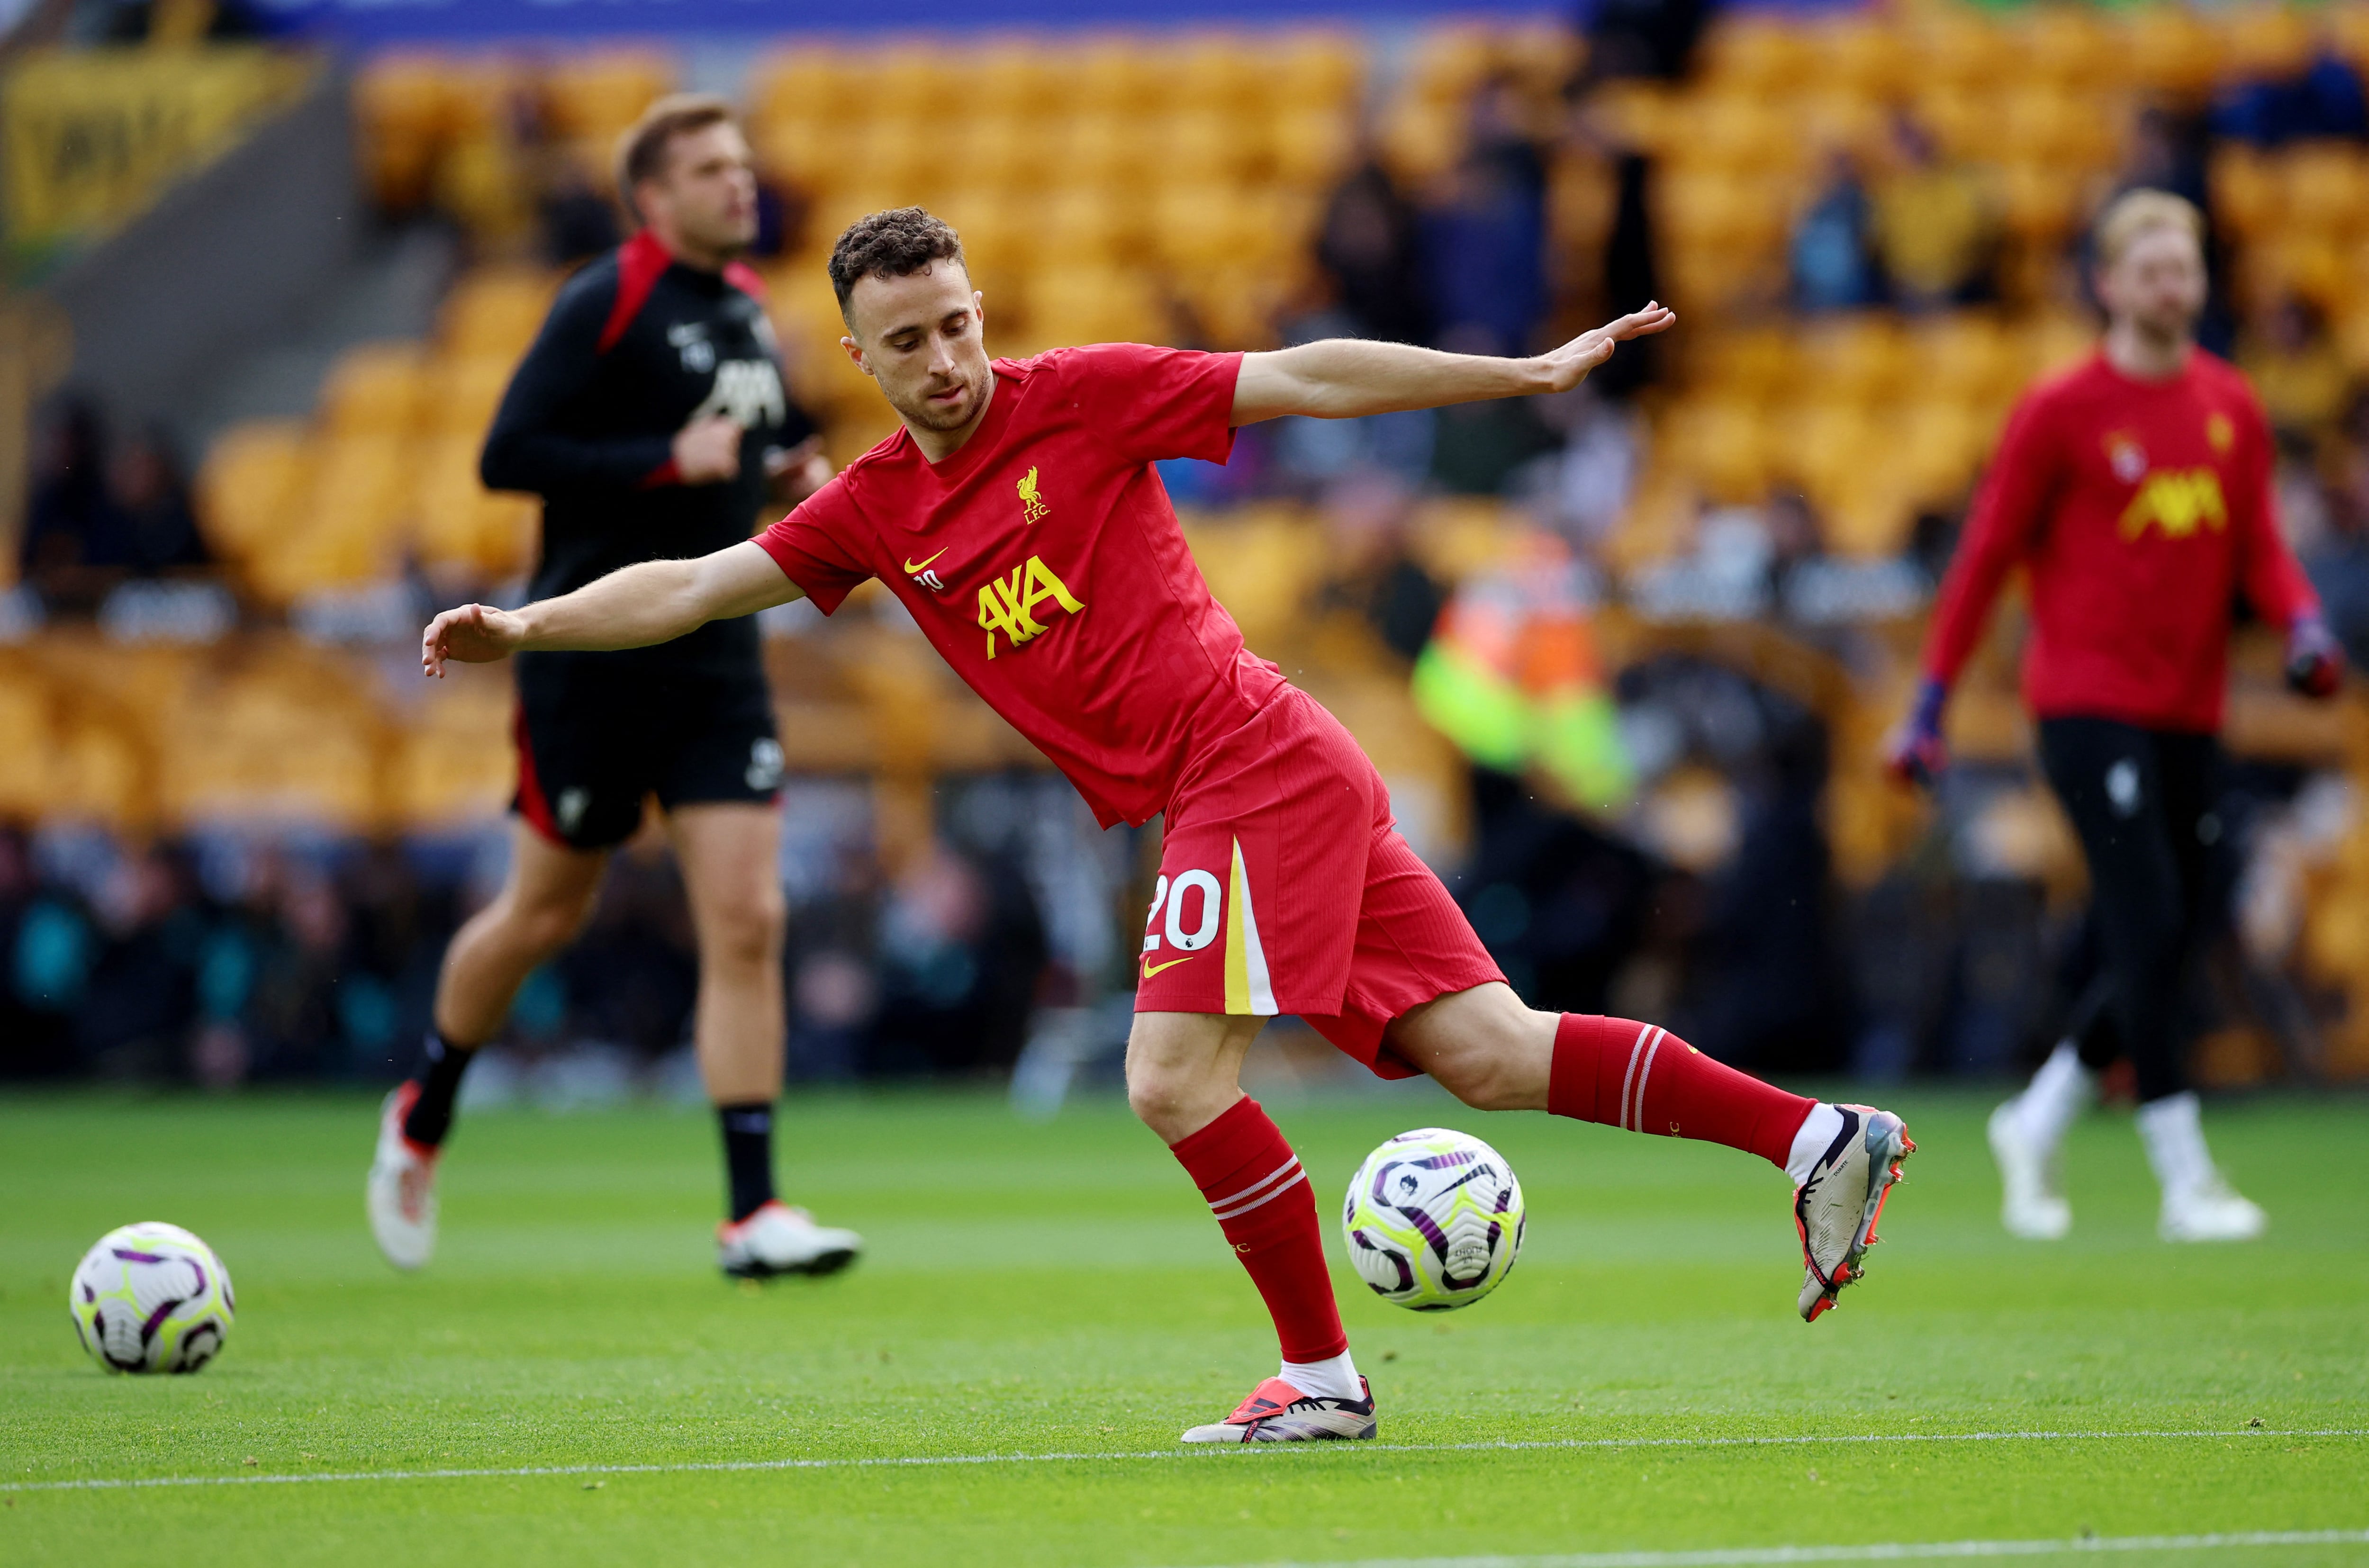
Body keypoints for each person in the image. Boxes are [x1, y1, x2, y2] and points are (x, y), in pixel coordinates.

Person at [421, 207, 1914, 1443]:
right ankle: (1817, 1137)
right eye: (908, 342)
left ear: (978, 308)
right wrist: (530, 625)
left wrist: (1520, 375)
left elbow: (1308, 380)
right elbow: (690, 583)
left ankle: (1324, 1379)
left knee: (1168, 1074)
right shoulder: (876, 509)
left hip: (1244, 762)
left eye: (957, 323)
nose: (946, 360)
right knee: (1490, 1052)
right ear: (859, 356)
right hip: (1263, 776)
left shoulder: (1080, 394)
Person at [368, 94, 859, 1281]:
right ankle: (422, 1110)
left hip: (712, 658)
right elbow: (507, 455)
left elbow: (762, 438)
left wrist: (794, 466)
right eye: (708, 170)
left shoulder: (747, 310)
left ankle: (753, 1208)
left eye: (742, 165)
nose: (739, 185)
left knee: (747, 918)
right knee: (546, 912)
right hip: (589, 660)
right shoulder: (605, 297)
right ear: (654, 197)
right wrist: (659, 464)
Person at [1888, 189, 2343, 1245]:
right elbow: (1986, 558)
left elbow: (2260, 550)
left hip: (2189, 706)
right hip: (2086, 703)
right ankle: (2184, 1174)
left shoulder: (2229, 404)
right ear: (2108, 283)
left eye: (2183, 266)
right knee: (2145, 914)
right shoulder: (2061, 411)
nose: (2169, 285)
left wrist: (2304, 625)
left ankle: (2036, 1116)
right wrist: (1929, 701)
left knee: (2179, 920)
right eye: (2149, 268)